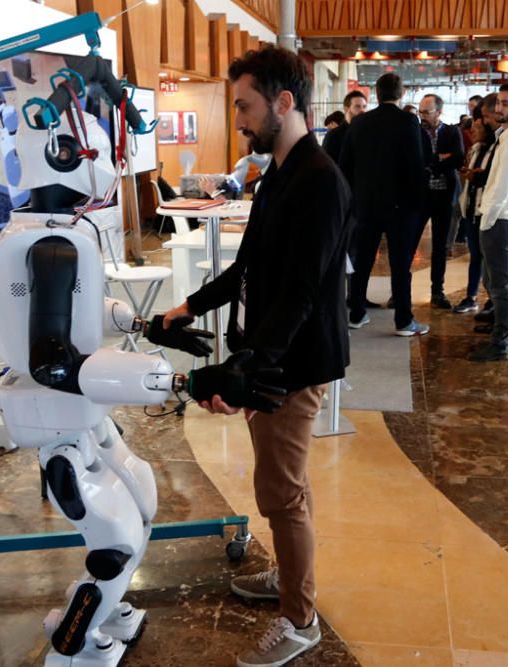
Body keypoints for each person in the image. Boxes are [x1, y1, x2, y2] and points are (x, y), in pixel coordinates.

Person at [162, 45, 352, 667]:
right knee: (284, 488)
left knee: (280, 495)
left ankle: (300, 620)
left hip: (292, 365)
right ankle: (292, 580)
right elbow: (248, 268)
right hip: (271, 357)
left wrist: (250, 367)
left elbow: (300, 292)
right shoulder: (278, 172)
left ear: (284, 101)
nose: (239, 118)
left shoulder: (320, 180)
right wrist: (187, 306)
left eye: (245, 105)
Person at [340, 72, 427, 336]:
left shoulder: (359, 123)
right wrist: (419, 202)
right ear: (401, 94)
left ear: (376, 94)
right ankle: (403, 320)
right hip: (400, 206)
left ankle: (356, 313)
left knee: (362, 260)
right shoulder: (408, 122)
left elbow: (345, 165)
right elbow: (415, 165)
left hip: (366, 204)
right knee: (400, 264)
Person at [471, 82, 508, 362]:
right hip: (499, 219)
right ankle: (503, 330)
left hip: (500, 221)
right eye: (498, 103)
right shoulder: (506, 137)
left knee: (500, 286)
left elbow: (502, 188)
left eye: (506, 104)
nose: (499, 108)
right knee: (496, 282)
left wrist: (486, 219)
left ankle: (501, 343)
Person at [419, 93, 464, 309]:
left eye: (426, 112)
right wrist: (441, 158)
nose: (422, 116)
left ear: (439, 112)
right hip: (419, 196)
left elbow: (458, 158)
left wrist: (433, 162)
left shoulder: (451, 131)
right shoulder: (416, 132)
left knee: (440, 246)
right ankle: (399, 292)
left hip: (444, 196)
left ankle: (437, 290)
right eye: (420, 111)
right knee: (408, 245)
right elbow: (416, 160)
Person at [451, 106, 495, 315]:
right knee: (475, 255)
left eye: (477, 127)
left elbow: (489, 178)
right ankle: (471, 296)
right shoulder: (476, 149)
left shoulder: (495, 150)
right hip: (469, 207)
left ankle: (492, 300)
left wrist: (475, 176)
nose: (472, 131)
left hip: (483, 210)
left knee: (487, 258)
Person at [321, 90, 367, 163]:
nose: (362, 111)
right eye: (357, 107)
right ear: (346, 109)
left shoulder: (367, 134)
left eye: (364, 107)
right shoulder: (333, 136)